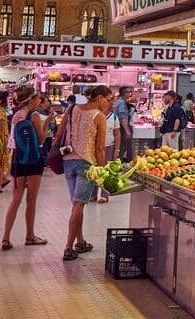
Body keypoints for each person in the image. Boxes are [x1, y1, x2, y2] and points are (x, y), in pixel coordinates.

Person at [61, 84, 112, 261]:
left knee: (77, 204)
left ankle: (80, 241)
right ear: (99, 98)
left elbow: (61, 131)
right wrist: (103, 170)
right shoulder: (99, 116)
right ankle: (68, 247)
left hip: (68, 160)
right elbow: (100, 148)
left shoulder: (72, 109)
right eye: (108, 99)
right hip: (87, 164)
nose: (109, 103)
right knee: (79, 205)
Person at [1, 85, 48, 250]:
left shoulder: (16, 115)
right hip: (34, 161)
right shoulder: (34, 115)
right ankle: (30, 236)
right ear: (31, 99)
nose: (40, 101)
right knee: (31, 200)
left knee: (15, 200)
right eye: (38, 98)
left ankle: (6, 237)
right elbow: (41, 140)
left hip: (17, 159)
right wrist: (47, 124)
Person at [96, 100, 121, 204]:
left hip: (109, 147)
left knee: (107, 171)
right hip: (96, 148)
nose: (111, 105)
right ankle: (92, 194)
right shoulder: (96, 115)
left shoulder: (114, 117)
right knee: (94, 171)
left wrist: (117, 149)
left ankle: (104, 195)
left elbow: (117, 134)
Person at [114, 85, 133, 162]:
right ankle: (119, 163)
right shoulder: (122, 103)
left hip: (119, 127)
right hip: (122, 128)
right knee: (122, 147)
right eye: (128, 92)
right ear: (123, 93)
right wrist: (127, 131)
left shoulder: (119, 101)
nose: (130, 94)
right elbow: (122, 118)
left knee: (122, 147)